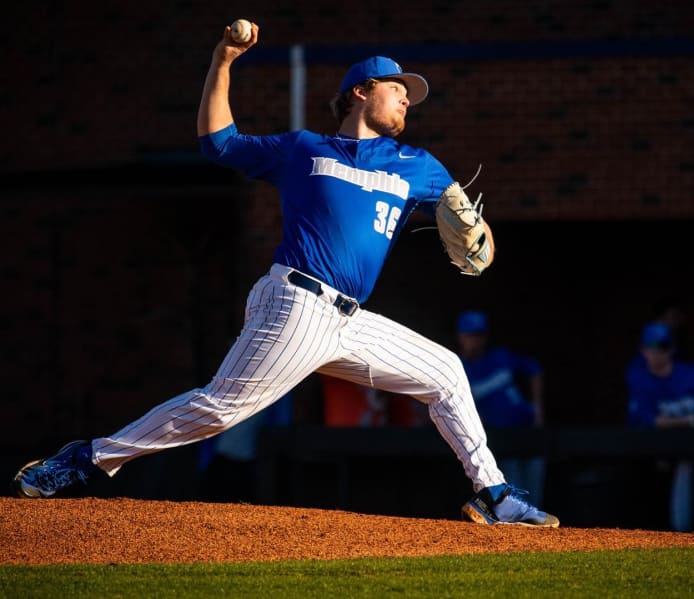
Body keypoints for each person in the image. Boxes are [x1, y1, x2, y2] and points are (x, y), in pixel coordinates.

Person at [12, 21, 558, 527]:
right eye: (398, 89)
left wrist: (477, 237)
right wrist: (224, 59)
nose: (407, 101)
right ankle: (87, 459)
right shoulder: (305, 149)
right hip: (297, 304)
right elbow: (218, 142)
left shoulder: (419, 166)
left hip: (350, 319)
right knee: (220, 409)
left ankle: (493, 493)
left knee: (445, 373)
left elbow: (473, 237)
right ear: (361, 92)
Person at [626, 321, 694, 532]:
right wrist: (688, 422)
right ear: (643, 350)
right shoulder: (640, 379)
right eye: (651, 348)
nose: (656, 353)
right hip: (688, 453)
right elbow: (647, 420)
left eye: (662, 347)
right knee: (682, 520)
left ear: (672, 350)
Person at [456, 310, 547, 505]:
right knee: (515, 494)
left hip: (528, 429)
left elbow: (535, 369)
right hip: (501, 439)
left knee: (536, 495)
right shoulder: (458, 367)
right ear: (461, 336)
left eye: (479, 336)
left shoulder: (500, 356)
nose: (475, 341)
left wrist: (538, 408)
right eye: (470, 335)